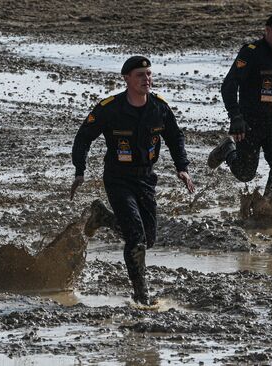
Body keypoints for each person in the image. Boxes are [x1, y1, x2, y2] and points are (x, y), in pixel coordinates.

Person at [70, 56, 195, 305]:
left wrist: (182, 168)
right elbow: (84, 137)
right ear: (126, 79)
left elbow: (175, 137)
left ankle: (103, 217)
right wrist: (79, 170)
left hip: (146, 177)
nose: (146, 79)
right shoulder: (109, 108)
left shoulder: (159, 107)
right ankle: (141, 295)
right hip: (118, 179)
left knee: (148, 239)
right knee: (136, 237)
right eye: (140, 75)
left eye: (148, 74)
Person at [208, 12, 272, 201]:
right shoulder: (251, 52)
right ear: (268, 30)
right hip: (250, 123)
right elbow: (229, 85)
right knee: (245, 174)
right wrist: (236, 117)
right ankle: (228, 149)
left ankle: (265, 209)